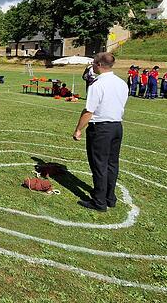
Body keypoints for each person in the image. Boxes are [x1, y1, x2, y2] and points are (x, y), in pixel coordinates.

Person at [72, 52, 128, 212]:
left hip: (101, 129)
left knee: (99, 164)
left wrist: (78, 130)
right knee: (112, 163)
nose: (92, 67)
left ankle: (99, 201)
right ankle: (110, 197)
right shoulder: (121, 83)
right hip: (117, 127)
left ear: (99, 65)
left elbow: (89, 111)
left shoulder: (97, 84)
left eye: (94, 64)